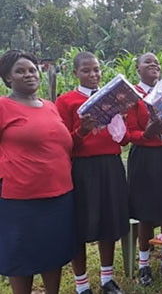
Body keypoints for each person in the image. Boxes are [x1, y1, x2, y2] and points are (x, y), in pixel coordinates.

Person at [0, 49, 76, 294]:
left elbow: (61, 145)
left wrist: (83, 131)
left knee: (53, 253)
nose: (29, 75)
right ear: (8, 78)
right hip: (21, 198)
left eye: (32, 70)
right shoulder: (3, 107)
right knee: (22, 257)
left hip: (59, 194)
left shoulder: (50, 107)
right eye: (20, 71)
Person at [56, 51, 129, 294]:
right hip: (82, 168)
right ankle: (82, 285)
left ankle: (107, 279)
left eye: (96, 69)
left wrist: (121, 119)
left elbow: (123, 139)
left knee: (109, 221)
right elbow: (63, 144)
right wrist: (83, 131)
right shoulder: (66, 101)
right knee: (81, 224)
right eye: (86, 70)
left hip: (111, 164)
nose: (93, 74)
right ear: (75, 73)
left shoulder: (111, 98)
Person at [120, 52, 162, 287]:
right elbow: (129, 132)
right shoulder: (132, 96)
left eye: (157, 63)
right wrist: (146, 133)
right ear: (137, 69)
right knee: (145, 213)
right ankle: (144, 265)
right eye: (147, 62)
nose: (154, 65)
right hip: (145, 155)